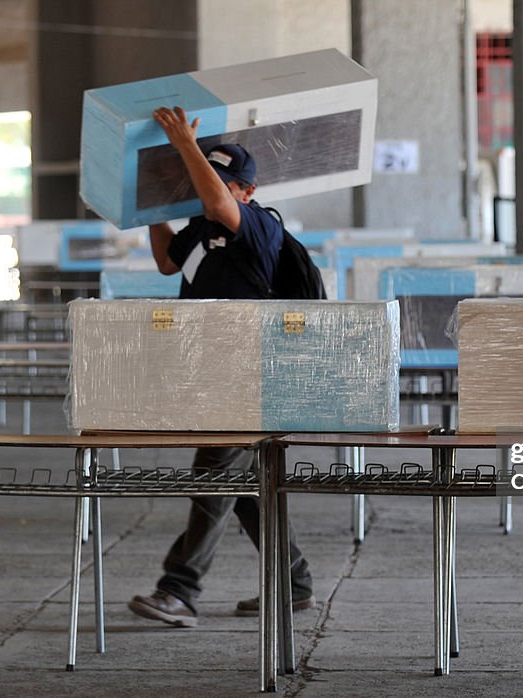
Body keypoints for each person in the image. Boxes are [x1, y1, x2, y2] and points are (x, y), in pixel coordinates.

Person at [128, 105, 315, 627]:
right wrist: (150, 211)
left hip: (254, 375)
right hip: (213, 374)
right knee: (243, 486)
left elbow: (216, 199)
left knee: (213, 475)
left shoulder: (255, 227)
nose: (210, 192)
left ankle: (180, 589)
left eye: (223, 183)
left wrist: (186, 145)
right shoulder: (198, 230)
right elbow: (168, 261)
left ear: (247, 192)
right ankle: (295, 583)